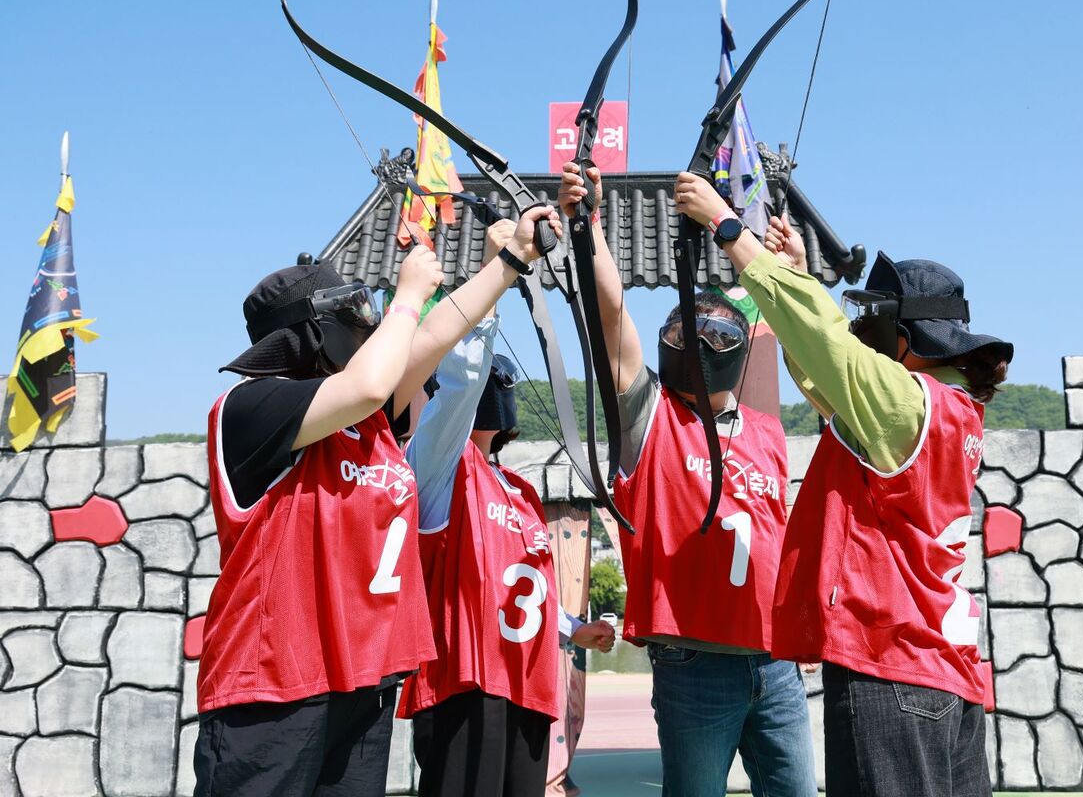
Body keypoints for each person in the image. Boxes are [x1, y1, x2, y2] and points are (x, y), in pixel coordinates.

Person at [195, 205, 562, 797]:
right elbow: (370, 382)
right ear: (312, 331)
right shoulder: (250, 405)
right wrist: (407, 297)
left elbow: (433, 342)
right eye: (353, 313)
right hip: (272, 688)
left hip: (364, 683)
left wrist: (510, 261)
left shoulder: (365, 424)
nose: (367, 326)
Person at [674, 171, 1011, 797]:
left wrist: (727, 225)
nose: (860, 330)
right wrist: (797, 277)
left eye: (870, 319)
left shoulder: (907, 402)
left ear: (903, 338)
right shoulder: (950, 408)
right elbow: (828, 371)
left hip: (890, 665)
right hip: (946, 671)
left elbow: (826, 344)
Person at [558, 163, 817, 797]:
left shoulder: (768, 431)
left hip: (775, 658)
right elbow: (612, 318)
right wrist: (589, 223)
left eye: (719, 331)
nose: (702, 339)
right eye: (686, 328)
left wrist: (798, 278)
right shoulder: (651, 414)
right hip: (693, 658)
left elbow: (818, 352)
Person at [398, 298, 616, 797]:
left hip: (527, 680)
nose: (501, 382)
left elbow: (521, 583)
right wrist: (485, 306)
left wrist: (572, 628)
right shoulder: (439, 468)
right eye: (491, 374)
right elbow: (460, 389)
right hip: (464, 680)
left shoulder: (519, 488)